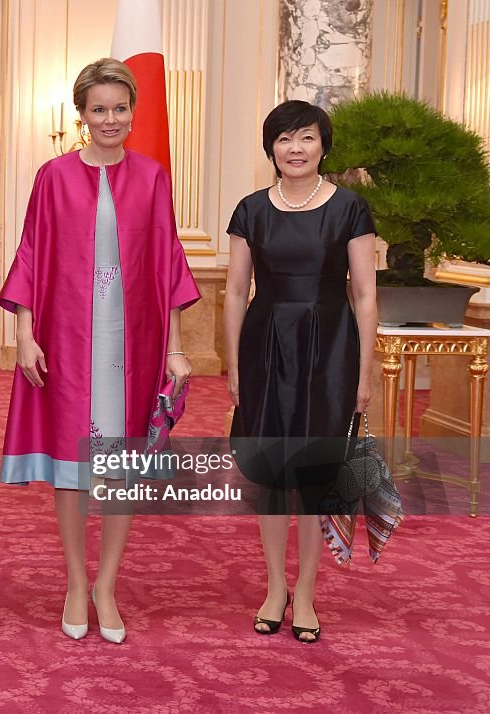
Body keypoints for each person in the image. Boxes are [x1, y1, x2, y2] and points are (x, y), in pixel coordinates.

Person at [0, 58, 200, 644]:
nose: (110, 118)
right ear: (81, 114)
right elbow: (32, 253)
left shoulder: (154, 176)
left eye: (119, 108)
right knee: (72, 466)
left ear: (132, 112)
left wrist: (175, 349)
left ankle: (107, 585)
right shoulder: (54, 176)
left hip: (131, 343)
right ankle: (73, 582)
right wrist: (24, 333)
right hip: (63, 337)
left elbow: (168, 267)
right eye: (98, 109)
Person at [223, 100, 377, 643]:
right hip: (266, 346)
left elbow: (364, 294)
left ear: (323, 145)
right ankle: (273, 587)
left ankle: (306, 593)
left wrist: (365, 371)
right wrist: (234, 366)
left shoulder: (350, 208)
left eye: (306, 138)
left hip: (331, 347)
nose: (295, 149)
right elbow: (237, 291)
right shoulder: (250, 210)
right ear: (271, 147)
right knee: (269, 474)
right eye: (285, 139)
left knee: (314, 475)